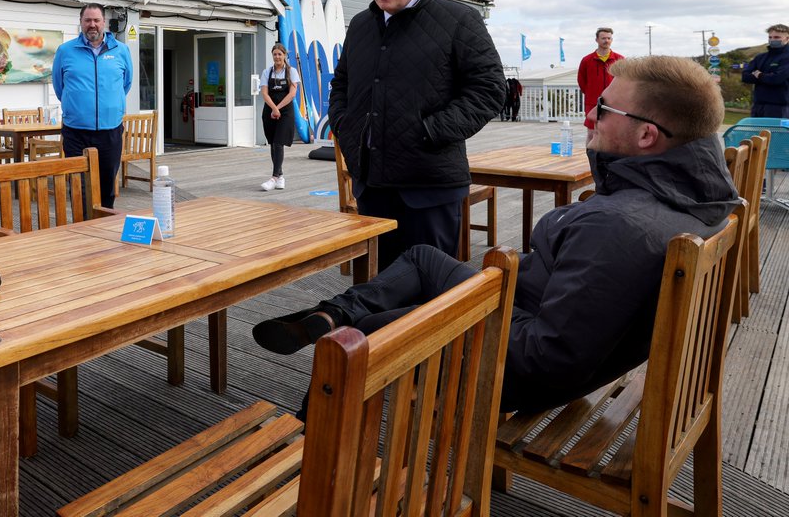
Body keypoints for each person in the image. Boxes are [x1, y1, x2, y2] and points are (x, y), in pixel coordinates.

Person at [255, 55, 738, 414]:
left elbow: (548, 361)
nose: (590, 116)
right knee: (424, 257)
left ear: (647, 135)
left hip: (525, 370)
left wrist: (447, 313)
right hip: (543, 315)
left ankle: (307, 453)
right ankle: (330, 311)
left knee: (359, 341)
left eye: (603, 109)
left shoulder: (619, 227)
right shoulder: (699, 198)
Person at [329, 0, 505, 270]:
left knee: (430, 289)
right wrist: (345, 125)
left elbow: (489, 89)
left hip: (429, 186)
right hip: (373, 184)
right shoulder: (361, 26)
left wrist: (429, 130)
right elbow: (342, 85)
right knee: (380, 285)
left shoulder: (458, 20)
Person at [53, 3, 133, 209]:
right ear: (80, 22)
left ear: (103, 23)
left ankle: (104, 229)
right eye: (87, 20)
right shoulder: (65, 51)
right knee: (79, 187)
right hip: (75, 133)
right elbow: (59, 87)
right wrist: (79, 107)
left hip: (110, 131)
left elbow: (126, 84)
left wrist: (109, 105)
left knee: (107, 186)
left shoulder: (121, 51)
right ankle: (82, 231)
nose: (92, 25)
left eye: (96, 20)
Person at [258, 42, 301, 190]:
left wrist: (278, 109)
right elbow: (264, 92)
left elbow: (292, 94)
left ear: (285, 55)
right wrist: (273, 108)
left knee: (278, 143)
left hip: (285, 111)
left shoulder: (292, 72)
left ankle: (274, 178)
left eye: (280, 54)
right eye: (275, 54)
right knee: (273, 144)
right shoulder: (266, 72)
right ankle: (280, 176)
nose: (277, 57)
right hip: (269, 110)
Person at [577, 27, 624, 141]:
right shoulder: (587, 60)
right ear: (597, 40)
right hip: (592, 102)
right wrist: (590, 93)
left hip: (613, 102)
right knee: (592, 133)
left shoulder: (619, 59)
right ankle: (591, 157)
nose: (606, 41)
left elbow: (623, 80)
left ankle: (610, 158)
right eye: (603, 38)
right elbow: (582, 81)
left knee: (612, 132)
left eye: (609, 38)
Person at [742, 23, 789, 118]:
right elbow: (745, 76)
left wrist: (759, 75)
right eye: (770, 37)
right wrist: (766, 76)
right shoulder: (760, 57)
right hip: (758, 106)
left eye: (777, 37)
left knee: (776, 133)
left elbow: (777, 79)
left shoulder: (787, 57)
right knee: (756, 132)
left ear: (787, 38)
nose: (772, 40)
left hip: (780, 108)